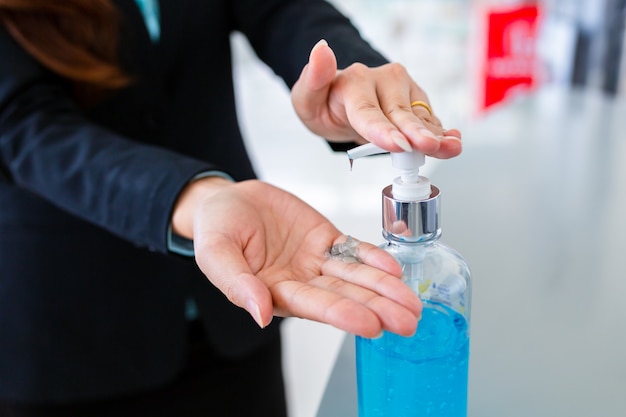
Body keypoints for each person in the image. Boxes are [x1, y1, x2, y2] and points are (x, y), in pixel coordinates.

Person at [0, 0, 462, 415]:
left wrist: (348, 89)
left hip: (238, 320)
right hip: (71, 346)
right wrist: (196, 196)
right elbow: (22, 122)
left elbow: (282, 10)